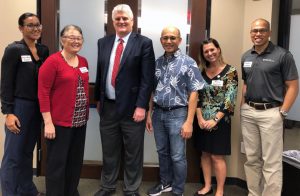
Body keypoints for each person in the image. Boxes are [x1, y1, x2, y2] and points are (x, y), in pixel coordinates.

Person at [94, 4, 155, 196]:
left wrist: (141, 106)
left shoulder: (144, 43)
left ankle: (131, 188)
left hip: (132, 109)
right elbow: (100, 71)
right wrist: (98, 99)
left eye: (125, 19)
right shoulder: (103, 42)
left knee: (133, 152)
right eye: (117, 19)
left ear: (132, 21)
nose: (121, 22)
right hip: (108, 108)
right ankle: (107, 186)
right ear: (112, 22)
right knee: (109, 151)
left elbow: (147, 79)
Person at [241, 18, 299, 196]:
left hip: (271, 112)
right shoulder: (246, 56)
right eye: (254, 31)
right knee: (251, 159)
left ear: (269, 32)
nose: (257, 34)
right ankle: (253, 193)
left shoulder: (283, 55)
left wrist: (283, 112)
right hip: (249, 112)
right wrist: (243, 107)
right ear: (251, 33)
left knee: (271, 162)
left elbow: (293, 86)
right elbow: (246, 84)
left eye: (262, 30)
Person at [146, 26, 204, 196]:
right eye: (165, 38)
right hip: (158, 113)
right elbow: (152, 91)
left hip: (178, 114)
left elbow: (194, 92)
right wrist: (149, 114)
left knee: (178, 156)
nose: (168, 41)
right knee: (162, 152)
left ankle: (178, 190)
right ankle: (165, 183)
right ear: (161, 40)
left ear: (180, 40)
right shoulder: (157, 63)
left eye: (172, 38)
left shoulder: (188, 62)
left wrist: (189, 121)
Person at [0, 12, 49, 196]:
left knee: (28, 152)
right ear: (21, 28)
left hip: (37, 108)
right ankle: (10, 193)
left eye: (38, 25)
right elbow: (5, 83)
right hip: (19, 107)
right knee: (13, 156)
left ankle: (27, 190)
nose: (35, 28)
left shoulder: (43, 50)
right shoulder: (14, 50)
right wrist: (8, 112)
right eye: (30, 25)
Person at [38, 25, 89, 196]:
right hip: (59, 123)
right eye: (71, 37)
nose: (76, 41)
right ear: (62, 40)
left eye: (79, 37)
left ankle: (70, 192)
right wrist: (48, 122)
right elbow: (43, 92)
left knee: (74, 163)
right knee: (57, 164)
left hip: (80, 122)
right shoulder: (53, 62)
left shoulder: (83, 61)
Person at [193, 38, 238, 196]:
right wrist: (199, 118)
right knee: (204, 154)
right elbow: (195, 97)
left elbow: (230, 100)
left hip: (220, 121)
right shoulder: (200, 71)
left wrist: (215, 119)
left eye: (212, 49)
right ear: (203, 54)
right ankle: (207, 186)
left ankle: (219, 190)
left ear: (218, 49)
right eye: (206, 51)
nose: (210, 53)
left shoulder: (230, 71)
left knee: (217, 157)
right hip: (202, 121)